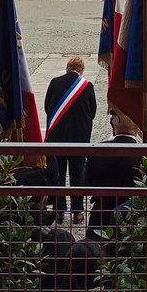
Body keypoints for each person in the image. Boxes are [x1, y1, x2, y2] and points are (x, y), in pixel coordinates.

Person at [44, 56, 97, 225]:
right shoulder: (87, 86)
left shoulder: (54, 82)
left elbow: (47, 107)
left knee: (58, 174)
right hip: (79, 139)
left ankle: (59, 210)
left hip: (57, 139)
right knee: (77, 175)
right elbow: (93, 111)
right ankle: (77, 212)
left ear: (68, 68)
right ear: (81, 70)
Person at [84, 111, 142, 244]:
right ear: (138, 127)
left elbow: (87, 183)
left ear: (111, 124)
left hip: (100, 217)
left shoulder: (97, 151)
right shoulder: (144, 155)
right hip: (132, 220)